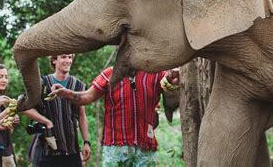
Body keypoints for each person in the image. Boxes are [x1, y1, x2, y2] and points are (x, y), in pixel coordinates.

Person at [51, 66, 180, 167]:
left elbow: (170, 85)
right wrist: (66, 93)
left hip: (145, 147)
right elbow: (86, 97)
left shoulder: (156, 74)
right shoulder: (109, 74)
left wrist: (172, 77)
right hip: (115, 148)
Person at [24, 54, 91, 167]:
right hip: (47, 152)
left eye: (70, 57)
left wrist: (86, 142)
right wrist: (46, 122)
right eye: (64, 57)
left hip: (72, 151)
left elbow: (82, 116)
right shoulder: (42, 83)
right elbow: (24, 106)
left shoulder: (78, 85)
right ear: (54, 60)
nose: (68, 61)